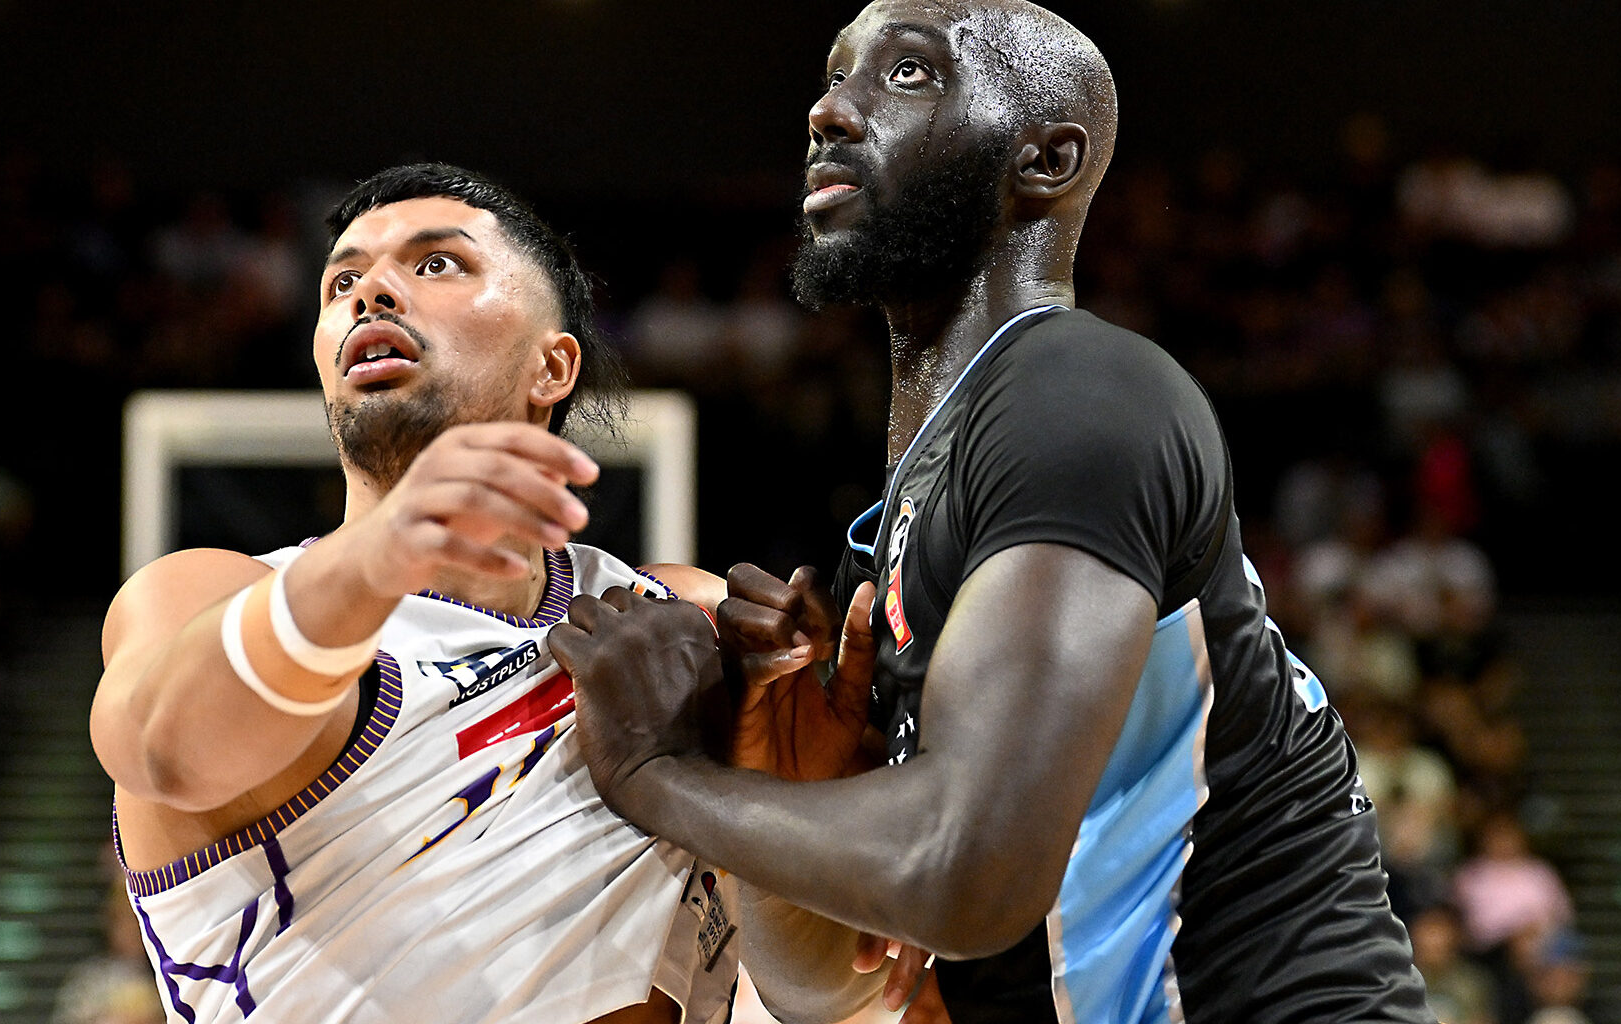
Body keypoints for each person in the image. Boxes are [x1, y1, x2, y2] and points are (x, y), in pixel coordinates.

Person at [544, 2, 1436, 1022]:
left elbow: (966, 870)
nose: (831, 109)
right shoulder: (897, 533)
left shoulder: (1079, 394)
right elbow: (820, 989)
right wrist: (779, 781)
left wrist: (657, 773)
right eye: (836, 72)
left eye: (910, 74)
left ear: (1046, 159)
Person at [89, 163, 738, 1024]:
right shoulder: (210, 594)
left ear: (552, 365)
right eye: (343, 281)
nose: (373, 294)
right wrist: (378, 553)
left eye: (437, 264)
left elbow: (845, 961)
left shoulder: (676, 615)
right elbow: (164, 748)